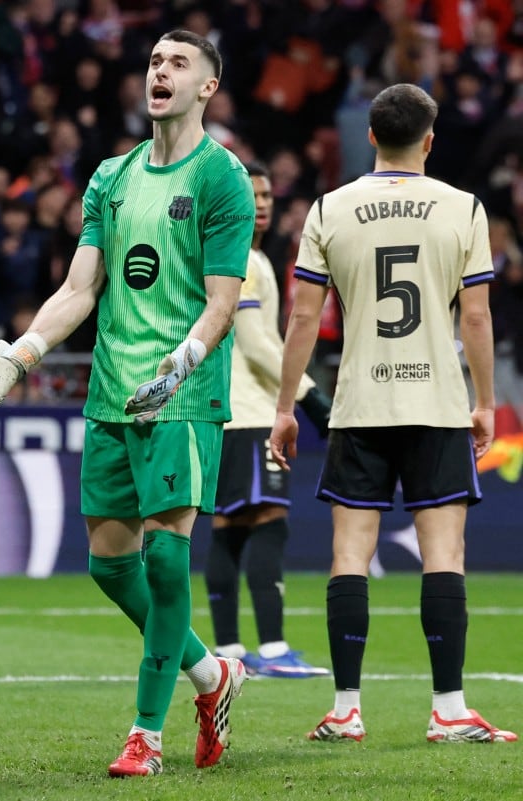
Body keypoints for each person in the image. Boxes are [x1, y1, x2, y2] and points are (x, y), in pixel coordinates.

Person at [0, 30, 253, 777]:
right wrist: (18, 356)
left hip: (180, 399)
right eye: (154, 60)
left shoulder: (223, 179)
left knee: (165, 560)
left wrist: (180, 366)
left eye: (179, 63)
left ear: (207, 87)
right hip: (112, 394)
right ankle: (212, 674)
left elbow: (222, 303)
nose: (161, 71)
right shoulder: (110, 177)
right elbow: (80, 288)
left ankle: (145, 735)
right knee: (111, 566)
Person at [270, 83, 517, 745]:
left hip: (360, 403)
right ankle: (449, 708)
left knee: (349, 553)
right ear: (429, 140)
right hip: (436, 403)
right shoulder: (462, 208)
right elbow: (475, 314)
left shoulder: (330, 207)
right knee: (445, 554)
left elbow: (302, 316)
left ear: (371, 136)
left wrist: (286, 406)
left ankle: (345, 707)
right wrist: (486, 401)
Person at [204, 162, 331, 679]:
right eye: (250, 195)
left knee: (229, 528)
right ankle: (274, 651)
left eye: (266, 197)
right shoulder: (246, 260)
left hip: (219, 412)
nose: (260, 204)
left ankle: (231, 651)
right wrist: (309, 396)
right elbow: (256, 341)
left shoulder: (222, 253)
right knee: (267, 524)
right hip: (253, 412)